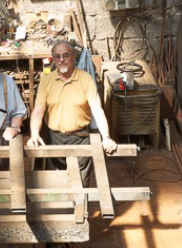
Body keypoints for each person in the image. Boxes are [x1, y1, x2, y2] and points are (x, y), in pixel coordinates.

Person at [26, 40, 117, 186]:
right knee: (57, 181)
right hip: (54, 138)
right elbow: (38, 111)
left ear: (73, 56)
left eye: (65, 55)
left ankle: (81, 209)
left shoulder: (85, 79)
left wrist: (106, 137)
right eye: (57, 56)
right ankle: (62, 209)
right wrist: (34, 135)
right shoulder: (46, 80)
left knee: (80, 182)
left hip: (80, 137)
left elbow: (97, 110)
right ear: (53, 59)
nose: (61, 60)